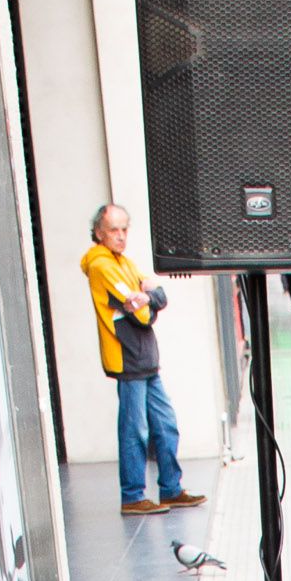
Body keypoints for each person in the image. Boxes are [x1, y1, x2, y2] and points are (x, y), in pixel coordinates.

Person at [80, 205, 203, 514]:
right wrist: (147, 297)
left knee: (165, 425)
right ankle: (133, 496)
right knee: (135, 430)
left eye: (124, 229)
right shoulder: (101, 265)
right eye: (113, 230)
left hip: (145, 360)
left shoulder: (123, 262)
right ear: (99, 233)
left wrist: (149, 295)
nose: (121, 236)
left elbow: (156, 296)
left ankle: (171, 489)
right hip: (128, 359)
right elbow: (143, 313)